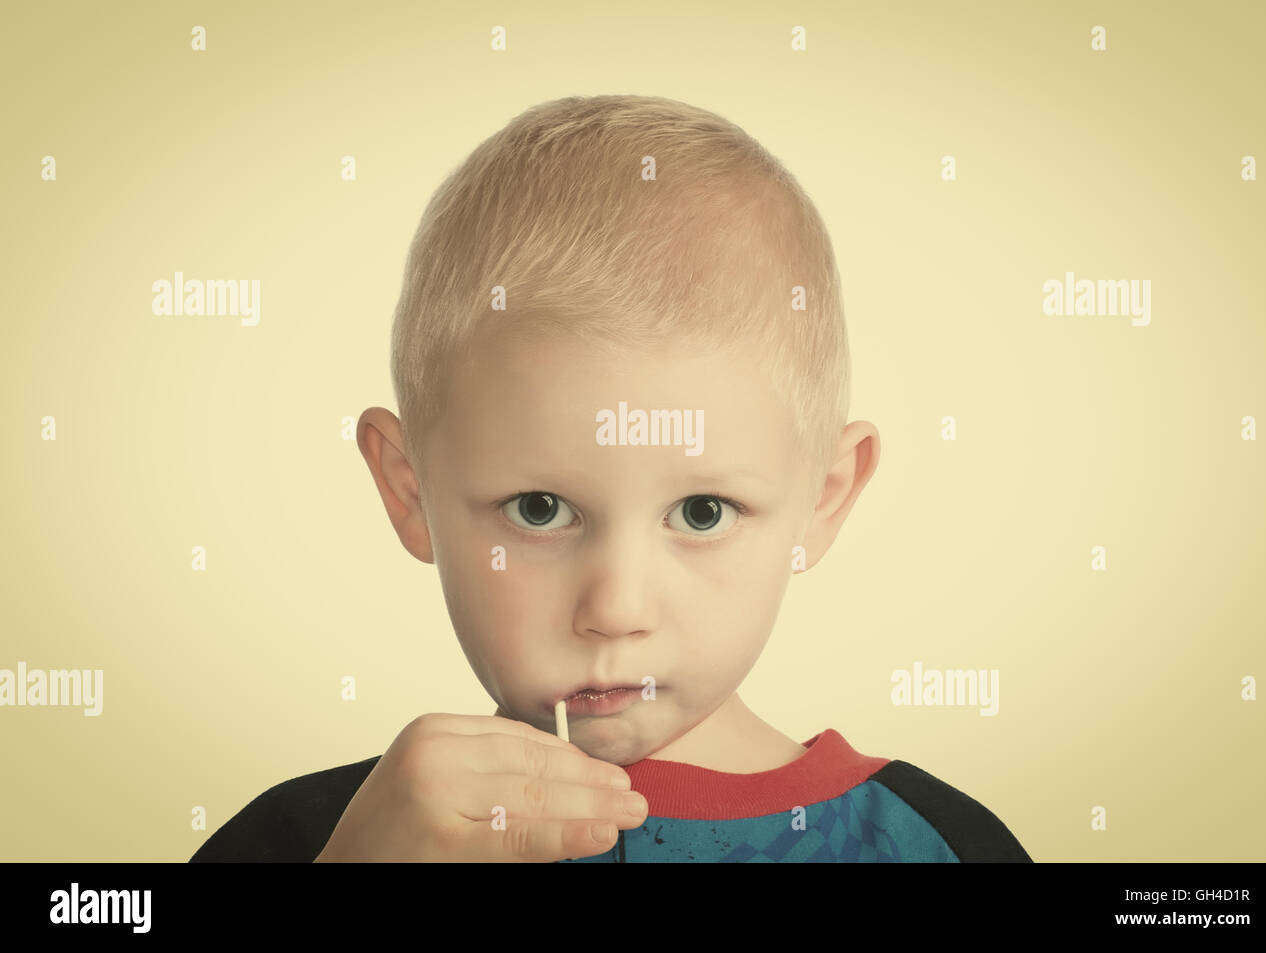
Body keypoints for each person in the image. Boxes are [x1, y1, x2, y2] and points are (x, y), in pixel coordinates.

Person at [191, 94, 1030, 863]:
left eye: (702, 512)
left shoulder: (938, 845)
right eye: (540, 509)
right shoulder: (326, 839)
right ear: (410, 489)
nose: (616, 609)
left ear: (824, 497)